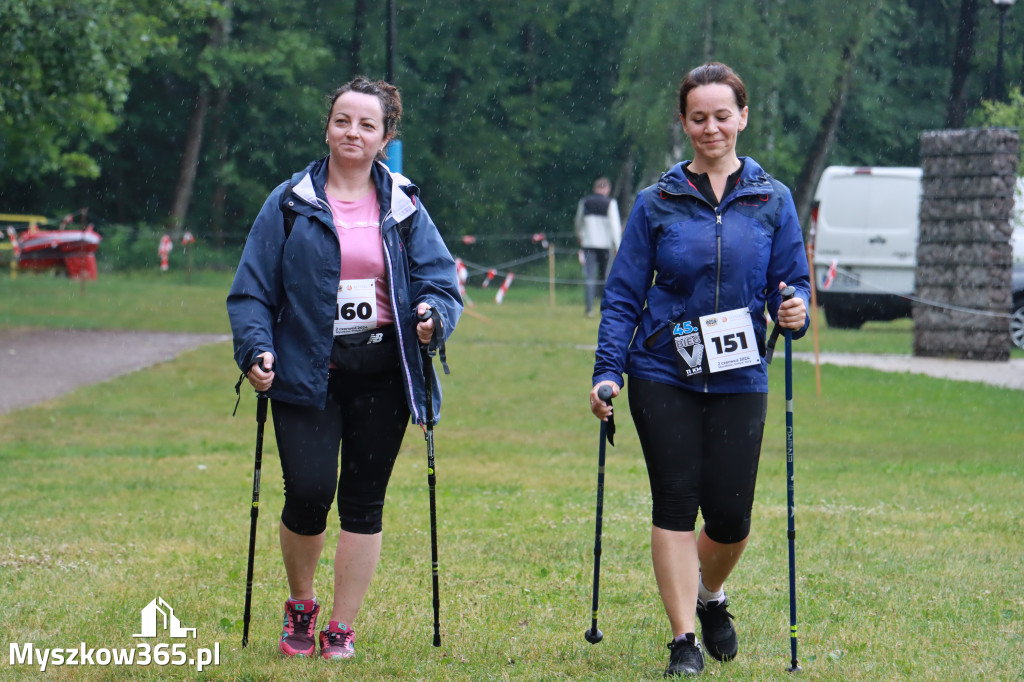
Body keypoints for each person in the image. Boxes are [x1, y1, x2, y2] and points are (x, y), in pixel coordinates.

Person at [227, 76, 463, 662]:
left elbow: (440, 281)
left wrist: (433, 316)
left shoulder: (405, 204)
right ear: (327, 127)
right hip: (307, 367)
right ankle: (301, 604)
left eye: (366, 124)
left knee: (364, 498)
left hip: (384, 368)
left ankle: (341, 625)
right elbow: (251, 291)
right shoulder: (289, 201)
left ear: (386, 136)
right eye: (342, 121)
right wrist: (255, 349)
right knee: (308, 492)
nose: (351, 132)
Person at [588, 62, 809, 678]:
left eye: (721, 115)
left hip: (740, 373)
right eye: (697, 117)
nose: (710, 127)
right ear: (684, 123)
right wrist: (608, 372)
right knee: (675, 502)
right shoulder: (657, 202)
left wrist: (795, 311)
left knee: (732, 517)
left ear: (743, 117)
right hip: (663, 369)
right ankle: (683, 639)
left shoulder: (772, 199)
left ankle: (711, 598)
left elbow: (792, 285)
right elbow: (624, 296)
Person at [575, 177, 622, 317]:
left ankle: (589, 309)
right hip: (605, 245)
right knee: (605, 278)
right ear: (607, 189)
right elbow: (615, 226)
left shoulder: (585, 201)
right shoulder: (610, 203)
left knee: (589, 277)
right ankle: (605, 308)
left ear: (595, 188)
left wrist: (579, 234)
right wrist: (617, 244)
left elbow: (578, 221)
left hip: (588, 243)